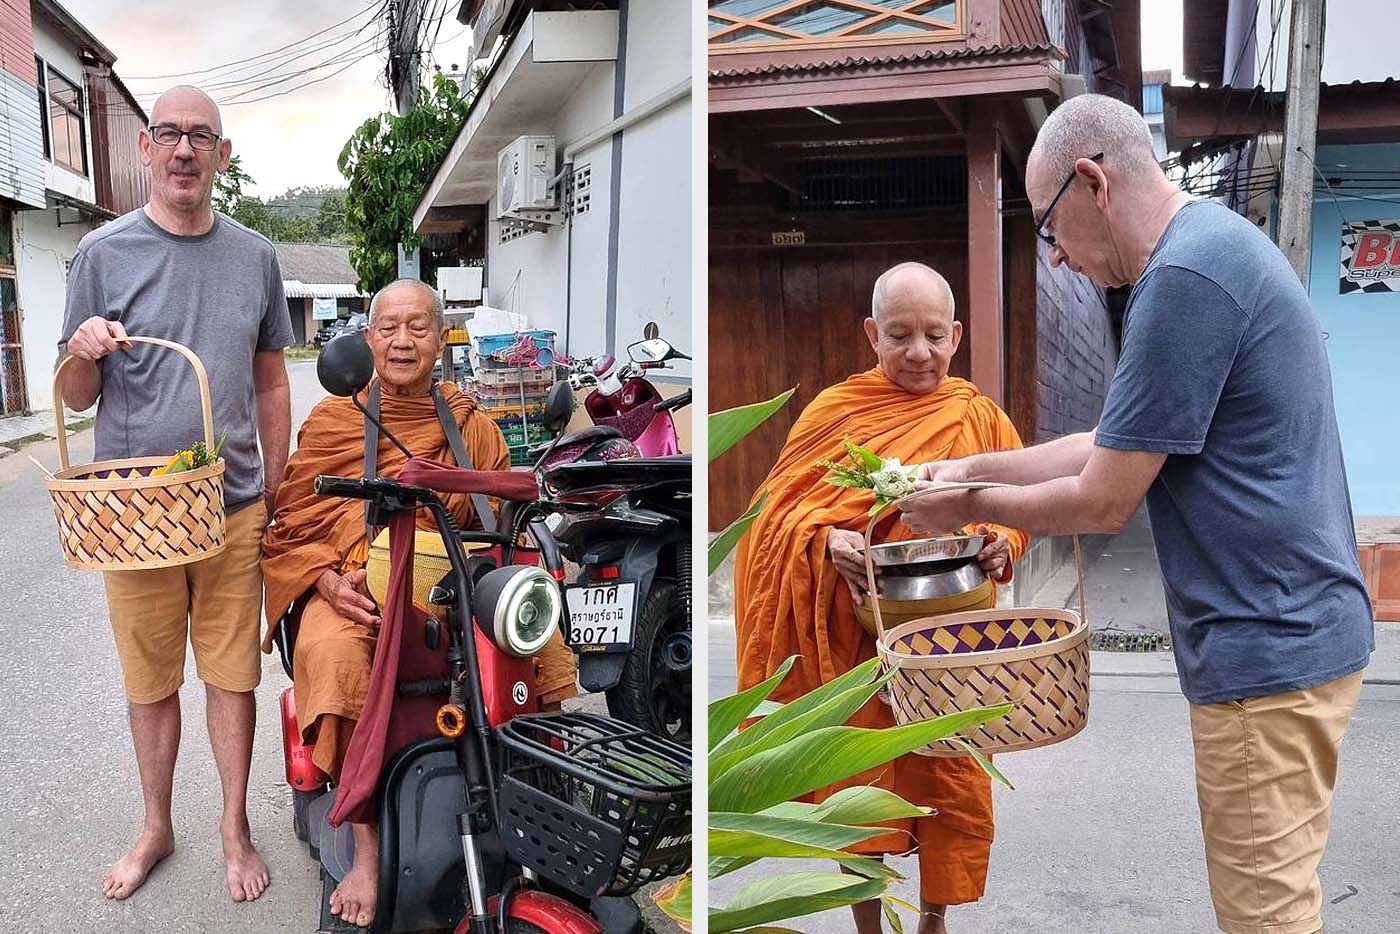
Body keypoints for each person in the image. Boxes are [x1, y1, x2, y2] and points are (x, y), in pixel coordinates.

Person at [900, 94, 1374, 934]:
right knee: (1277, 899)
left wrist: (961, 507)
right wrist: (968, 466)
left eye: (1049, 229)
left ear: (1092, 182)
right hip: (1293, 631)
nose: (1057, 260)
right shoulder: (1207, 252)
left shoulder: (1182, 280)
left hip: (1267, 647)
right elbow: (1104, 442)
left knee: (1265, 917)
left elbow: (1104, 498)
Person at [261, 278, 578, 928]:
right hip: (353, 588)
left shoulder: (467, 421)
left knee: (537, 638)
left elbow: (505, 511)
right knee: (335, 650)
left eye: (419, 327)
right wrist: (323, 579)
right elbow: (290, 524)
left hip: (450, 584)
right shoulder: (333, 420)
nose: (403, 340)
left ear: (441, 340)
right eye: (390, 328)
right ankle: (368, 851)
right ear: (369, 339)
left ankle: (542, 802)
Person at [733, 262, 1029, 934]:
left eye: (932, 335)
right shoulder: (835, 412)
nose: (918, 352)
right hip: (851, 644)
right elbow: (770, 516)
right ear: (872, 333)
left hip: (948, 644)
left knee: (948, 783)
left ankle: (933, 920)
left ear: (956, 334)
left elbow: (1013, 508)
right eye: (900, 335)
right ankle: (869, 926)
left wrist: (1000, 541)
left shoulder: (976, 415)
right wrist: (825, 538)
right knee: (856, 787)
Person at [57, 85, 289, 904]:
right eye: (170, 134)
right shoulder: (102, 255)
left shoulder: (256, 256)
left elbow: (269, 385)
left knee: (232, 677)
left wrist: (278, 485)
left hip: (231, 509)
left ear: (223, 156)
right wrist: (84, 349)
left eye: (202, 136)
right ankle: (156, 823)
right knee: (150, 680)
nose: (185, 149)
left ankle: (233, 825)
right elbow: (77, 394)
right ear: (147, 150)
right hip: (134, 517)